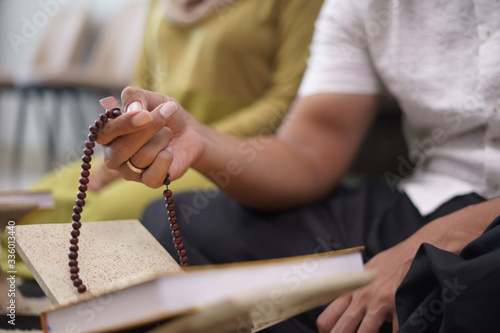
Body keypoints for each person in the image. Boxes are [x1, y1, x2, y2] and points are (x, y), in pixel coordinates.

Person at [96, 0, 500, 332]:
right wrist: (201, 142)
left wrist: (438, 240)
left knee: (462, 292)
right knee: (179, 228)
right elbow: (309, 152)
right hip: (430, 198)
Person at [19, 0, 322, 226]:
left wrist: (191, 142)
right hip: (155, 142)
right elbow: (141, 86)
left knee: (96, 218)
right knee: (29, 202)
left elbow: (286, 102)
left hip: (229, 156)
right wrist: (131, 141)